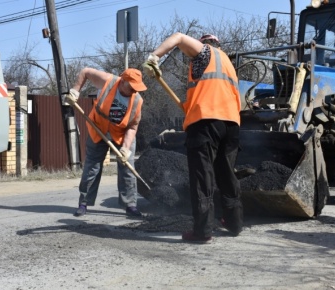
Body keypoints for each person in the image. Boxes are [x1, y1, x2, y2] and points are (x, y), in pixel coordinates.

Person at [143, 33, 243, 243]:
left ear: (205, 44)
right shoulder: (228, 64)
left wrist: (154, 57)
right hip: (231, 123)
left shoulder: (205, 54)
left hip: (206, 123)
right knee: (226, 174)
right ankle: (234, 223)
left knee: (202, 177)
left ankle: (202, 232)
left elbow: (178, 37)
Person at [66, 67, 147, 217]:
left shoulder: (137, 100)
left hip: (122, 135)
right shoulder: (108, 81)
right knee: (92, 167)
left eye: (137, 88)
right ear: (123, 82)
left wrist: (125, 148)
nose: (134, 91)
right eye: (132, 87)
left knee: (127, 168)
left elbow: (133, 126)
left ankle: (130, 205)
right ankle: (83, 203)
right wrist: (75, 91)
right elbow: (85, 71)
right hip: (98, 130)